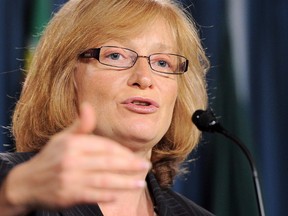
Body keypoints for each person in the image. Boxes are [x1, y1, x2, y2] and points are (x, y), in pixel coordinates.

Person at [0, 0, 213, 215]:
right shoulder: (12, 182)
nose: (144, 78)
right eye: (116, 55)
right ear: (66, 76)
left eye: (162, 63)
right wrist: (13, 195)